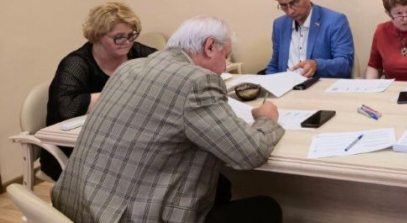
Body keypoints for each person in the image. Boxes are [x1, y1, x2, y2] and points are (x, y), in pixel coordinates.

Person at [52, 16, 285, 223]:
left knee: (220, 186)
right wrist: (266, 120)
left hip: (75, 207)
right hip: (126, 216)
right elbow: (250, 152)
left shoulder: (128, 68)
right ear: (209, 47)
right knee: (266, 208)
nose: (225, 66)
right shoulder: (196, 81)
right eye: (225, 56)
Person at [42, 2, 157, 181]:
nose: (127, 42)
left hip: (115, 138)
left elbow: (168, 67)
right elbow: (66, 107)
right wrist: (123, 92)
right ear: (98, 36)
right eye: (118, 37)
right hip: (75, 148)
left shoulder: (136, 51)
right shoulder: (76, 63)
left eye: (131, 35)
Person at [266, 0, 355, 78]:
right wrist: (267, 81)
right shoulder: (279, 25)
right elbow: (275, 63)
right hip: (286, 85)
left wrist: (317, 65)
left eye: (294, 3)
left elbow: (345, 65)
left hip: (318, 85)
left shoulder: (335, 21)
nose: (290, 11)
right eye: (284, 6)